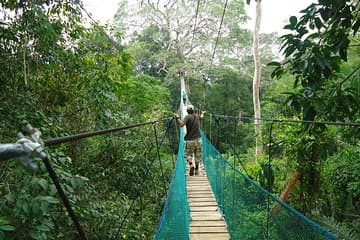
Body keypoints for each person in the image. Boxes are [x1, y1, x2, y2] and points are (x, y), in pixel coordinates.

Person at [175, 104, 205, 176]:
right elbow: (202, 117)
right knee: (198, 155)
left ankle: (191, 165)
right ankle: (197, 170)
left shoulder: (187, 117)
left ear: (187, 111)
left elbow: (181, 124)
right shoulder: (197, 116)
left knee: (188, 154)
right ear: (193, 110)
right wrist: (203, 113)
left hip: (190, 140)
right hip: (198, 139)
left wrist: (177, 118)